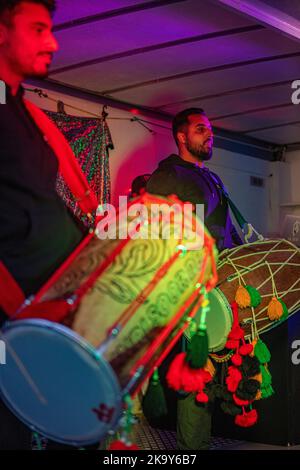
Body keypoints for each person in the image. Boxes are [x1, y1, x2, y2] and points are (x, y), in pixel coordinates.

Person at [0, 0, 97, 449]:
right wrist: (23, 312)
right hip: (15, 319)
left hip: (42, 313)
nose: (53, 42)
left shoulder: (18, 107)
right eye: (38, 28)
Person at [146, 107, 243, 450]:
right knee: (196, 370)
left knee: (212, 373)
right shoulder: (167, 176)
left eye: (210, 129)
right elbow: (154, 231)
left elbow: (225, 231)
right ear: (182, 137)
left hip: (219, 282)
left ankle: (198, 442)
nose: (209, 134)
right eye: (201, 129)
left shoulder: (211, 178)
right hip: (188, 287)